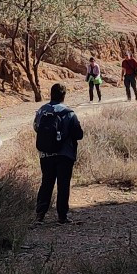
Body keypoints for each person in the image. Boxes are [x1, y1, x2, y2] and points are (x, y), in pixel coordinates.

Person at [32, 82, 84, 225]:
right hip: (65, 154)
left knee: (46, 183)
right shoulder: (69, 113)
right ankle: (62, 216)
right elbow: (79, 134)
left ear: (51, 94)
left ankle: (40, 215)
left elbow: (36, 128)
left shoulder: (41, 111)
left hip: (46, 154)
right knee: (63, 184)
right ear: (64, 96)